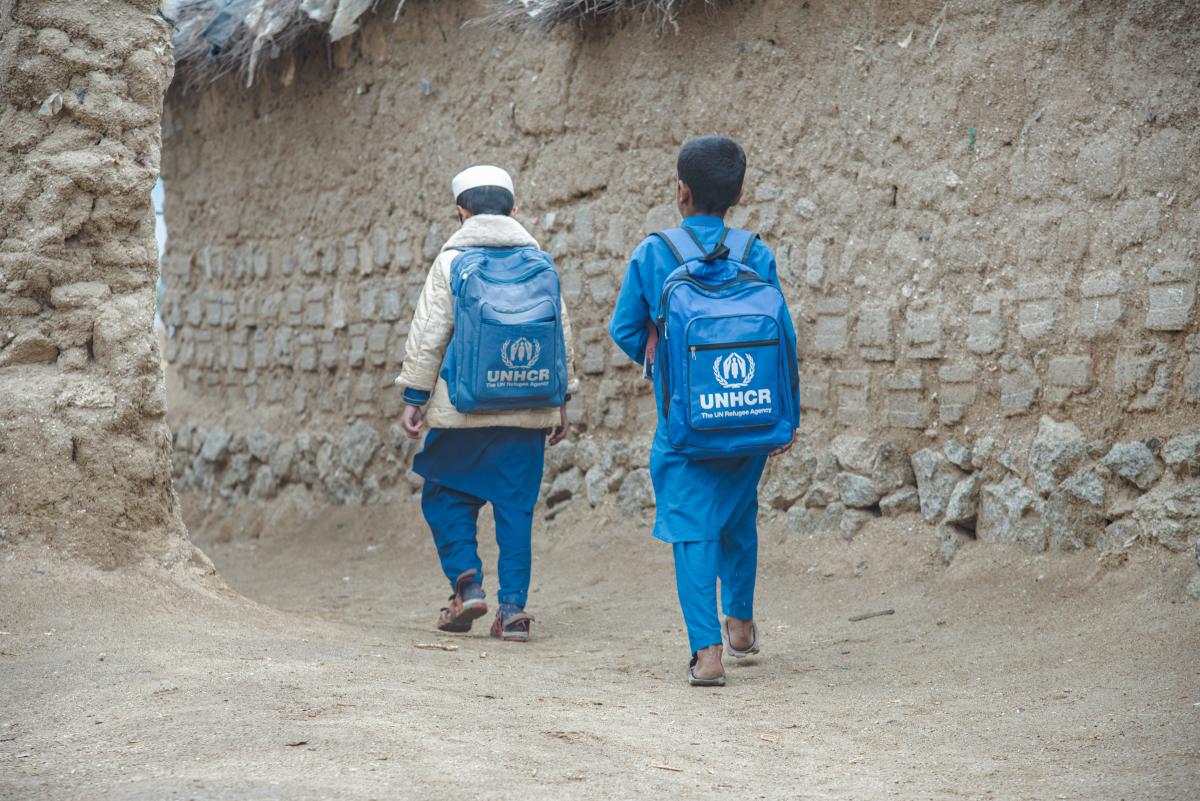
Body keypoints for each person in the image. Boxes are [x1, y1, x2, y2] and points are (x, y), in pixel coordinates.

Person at [609, 137, 799, 685]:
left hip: (686, 423)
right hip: (752, 416)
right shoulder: (754, 253)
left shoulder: (653, 254)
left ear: (681, 192)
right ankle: (740, 621)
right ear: (738, 194)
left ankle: (708, 652)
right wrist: (789, 415)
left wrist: (658, 351)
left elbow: (625, 328)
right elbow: (781, 335)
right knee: (739, 514)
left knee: (692, 527)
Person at [396, 165, 577, 642]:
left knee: (444, 494)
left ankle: (467, 585)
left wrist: (415, 396)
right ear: (514, 210)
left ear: (461, 211)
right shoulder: (541, 262)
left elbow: (429, 334)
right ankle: (513, 611)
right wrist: (562, 400)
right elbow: (561, 337)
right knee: (516, 509)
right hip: (528, 410)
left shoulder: (451, 262)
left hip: (463, 411)